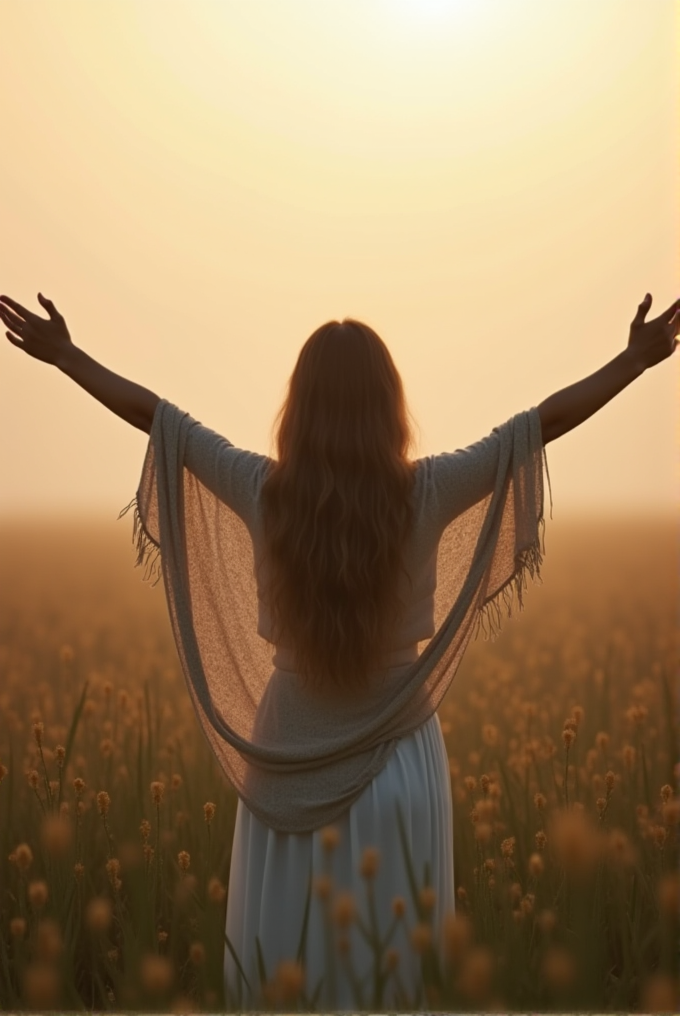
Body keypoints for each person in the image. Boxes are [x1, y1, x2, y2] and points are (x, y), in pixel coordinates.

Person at [2, 290, 678, 1009]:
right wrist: (632, 362)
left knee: (289, 958)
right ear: (389, 405)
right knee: (393, 971)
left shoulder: (264, 488)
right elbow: (539, 427)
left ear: (300, 407)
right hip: (400, 760)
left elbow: (161, 421)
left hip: (284, 753)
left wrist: (68, 357)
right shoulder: (427, 491)